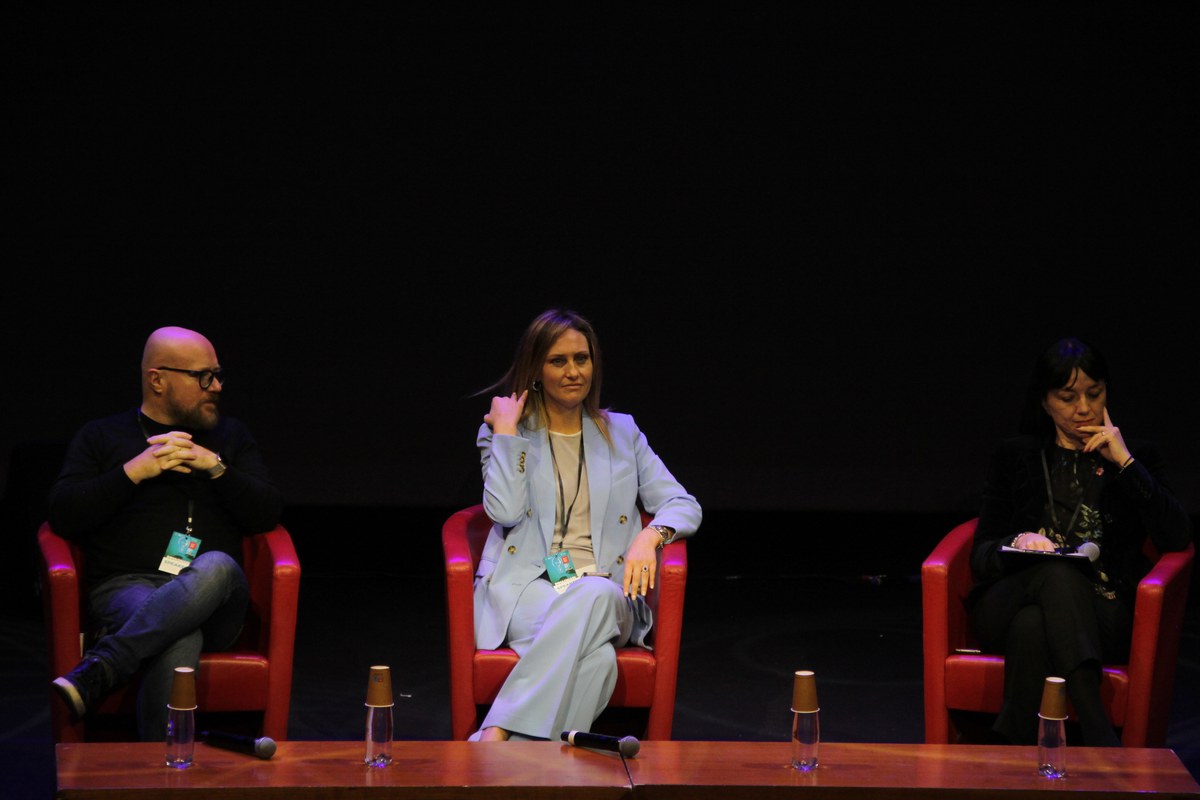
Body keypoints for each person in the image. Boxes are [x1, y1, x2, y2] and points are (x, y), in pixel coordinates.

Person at [469, 308, 702, 742]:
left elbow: (682, 503)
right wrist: (506, 434)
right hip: (532, 588)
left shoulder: (622, 432)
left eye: (582, 359)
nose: (574, 371)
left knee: (593, 593)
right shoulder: (506, 434)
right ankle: (532, 763)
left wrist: (650, 536)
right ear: (536, 370)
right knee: (599, 662)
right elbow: (504, 512)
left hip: (607, 589)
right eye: (558, 361)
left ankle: (495, 732)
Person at [48, 326, 283, 741]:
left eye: (218, 375)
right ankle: (167, 764)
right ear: (157, 380)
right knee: (179, 631)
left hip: (217, 602)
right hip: (126, 588)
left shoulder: (231, 437)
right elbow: (63, 515)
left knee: (217, 564)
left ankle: (106, 664)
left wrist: (216, 468)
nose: (217, 387)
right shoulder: (101, 436)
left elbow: (267, 513)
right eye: (203, 377)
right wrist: (133, 472)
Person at [967, 336, 1192, 746]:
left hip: (1103, 612)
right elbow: (980, 554)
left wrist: (1125, 463)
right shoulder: (1015, 456)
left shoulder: (1135, 457)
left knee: (1032, 627)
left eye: (1095, 393)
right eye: (1068, 397)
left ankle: (1013, 745)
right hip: (1010, 597)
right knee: (1055, 572)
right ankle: (1098, 729)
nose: (1084, 408)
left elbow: (1176, 536)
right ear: (1045, 401)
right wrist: (1019, 539)